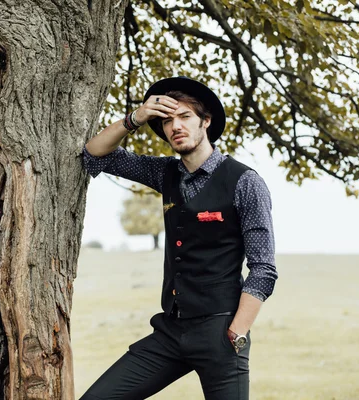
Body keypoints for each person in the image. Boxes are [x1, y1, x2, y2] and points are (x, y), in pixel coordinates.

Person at [79, 76, 278, 400]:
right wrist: (137, 118)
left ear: (206, 122)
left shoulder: (244, 182)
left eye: (185, 117)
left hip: (220, 332)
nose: (176, 126)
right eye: (168, 120)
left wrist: (237, 332)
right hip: (171, 331)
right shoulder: (165, 173)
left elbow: (263, 269)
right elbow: (95, 154)